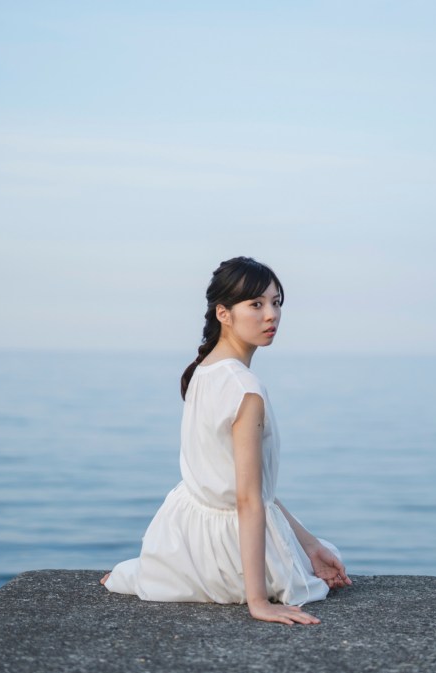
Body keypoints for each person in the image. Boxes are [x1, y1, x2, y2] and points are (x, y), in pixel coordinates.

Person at [101, 256, 351, 625]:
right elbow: (249, 499)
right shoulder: (245, 388)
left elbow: (248, 485)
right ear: (223, 313)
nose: (271, 315)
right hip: (227, 547)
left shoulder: (204, 371)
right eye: (256, 304)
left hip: (180, 539)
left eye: (276, 303)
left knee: (321, 551)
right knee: (328, 563)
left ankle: (151, 571)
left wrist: (307, 543)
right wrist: (258, 602)